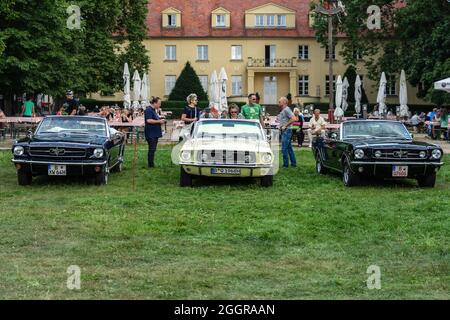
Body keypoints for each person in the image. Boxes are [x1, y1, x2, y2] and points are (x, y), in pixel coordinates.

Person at [145, 97, 165, 168]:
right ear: (154, 103)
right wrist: (159, 121)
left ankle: (151, 164)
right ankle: (150, 165)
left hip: (154, 133)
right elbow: (149, 120)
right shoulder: (148, 110)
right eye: (159, 103)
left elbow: (154, 119)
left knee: (153, 149)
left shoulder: (154, 110)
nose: (160, 105)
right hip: (151, 133)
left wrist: (160, 120)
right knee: (152, 149)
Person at [278, 97, 297, 168]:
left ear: (284, 102)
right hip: (286, 131)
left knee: (284, 148)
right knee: (289, 148)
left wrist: (285, 126)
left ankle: (285, 165)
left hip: (287, 131)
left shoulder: (286, 109)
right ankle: (293, 163)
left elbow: (294, 118)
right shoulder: (284, 110)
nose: (278, 103)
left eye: (279, 102)